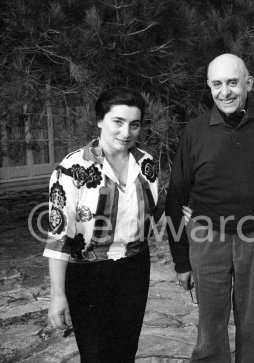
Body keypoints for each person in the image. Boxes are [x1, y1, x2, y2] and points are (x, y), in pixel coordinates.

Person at [165, 53, 254, 363]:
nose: (225, 92)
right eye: (217, 84)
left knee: (251, 324)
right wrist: (181, 260)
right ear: (209, 86)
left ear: (249, 83)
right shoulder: (195, 130)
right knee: (210, 326)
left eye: (233, 82)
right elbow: (176, 195)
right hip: (207, 239)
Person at [44, 87, 158, 362]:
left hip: (134, 269)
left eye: (134, 124)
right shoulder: (72, 168)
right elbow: (58, 236)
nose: (126, 132)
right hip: (88, 274)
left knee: (125, 351)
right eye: (117, 122)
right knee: (96, 355)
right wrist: (57, 295)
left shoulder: (147, 164)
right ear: (99, 120)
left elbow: (154, 214)